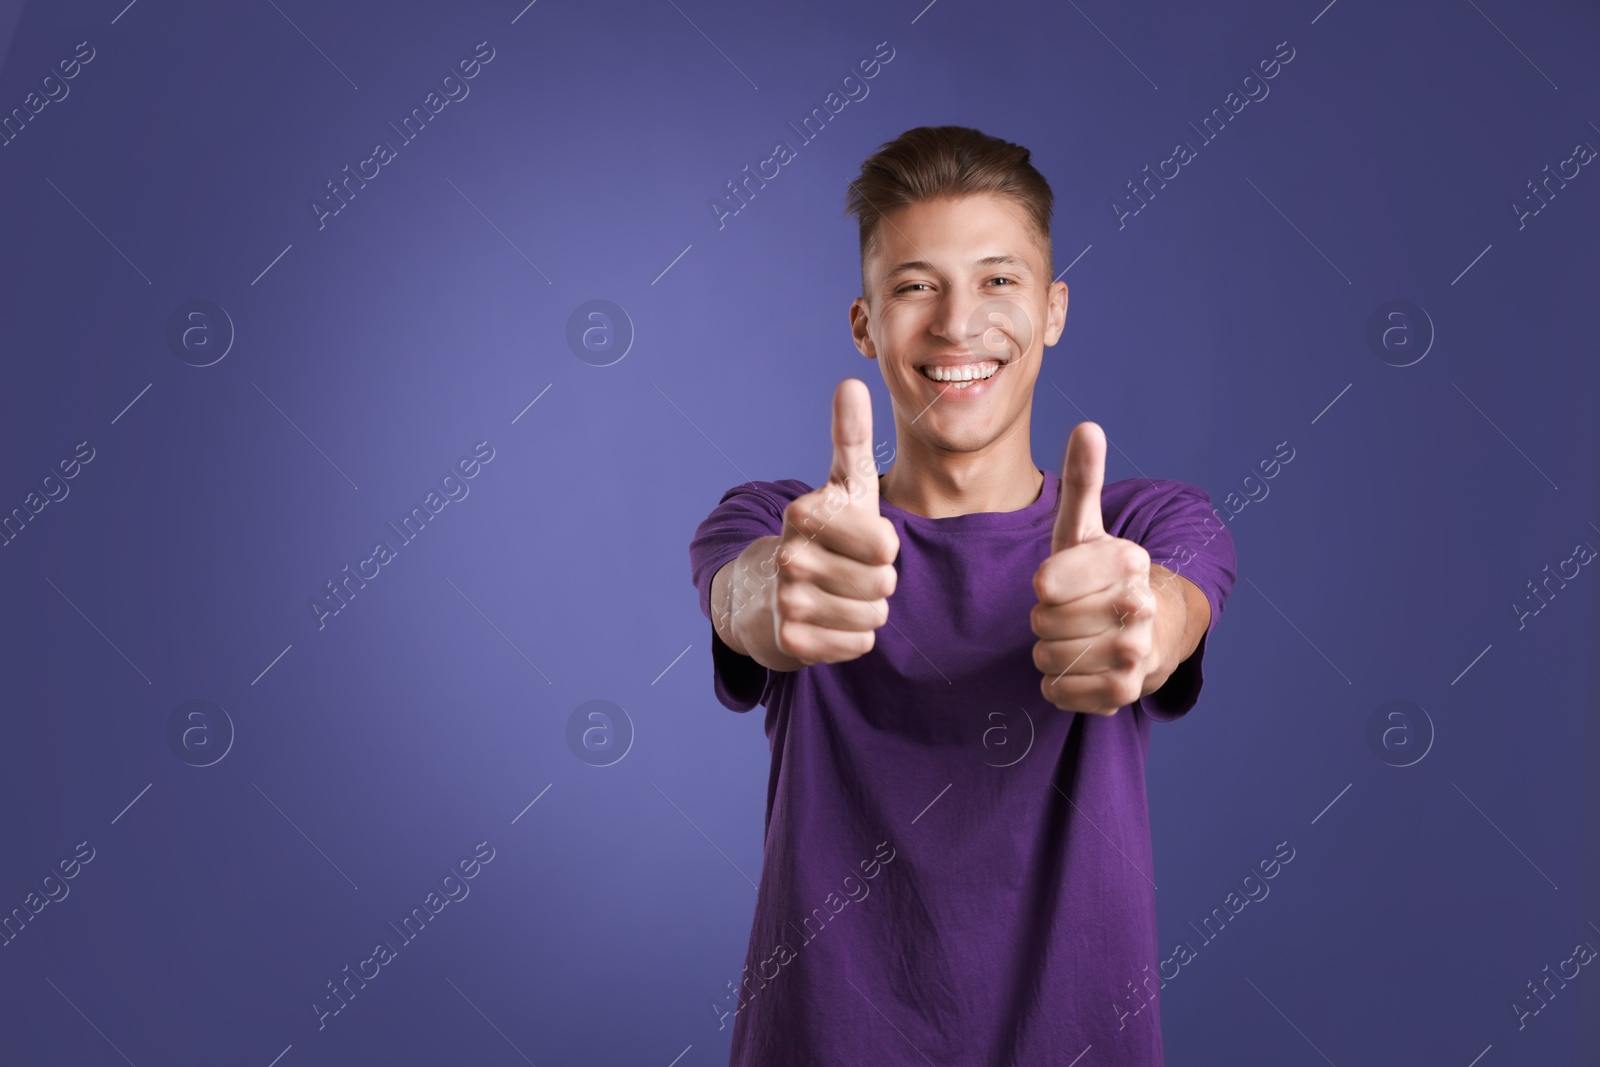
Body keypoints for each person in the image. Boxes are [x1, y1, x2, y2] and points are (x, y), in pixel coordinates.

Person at [688, 125, 1237, 1067]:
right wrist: (768, 599)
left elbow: (1173, 609)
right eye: (914, 286)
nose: (955, 324)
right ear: (864, 323)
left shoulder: (1143, 530)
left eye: (998, 280)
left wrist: (1143, 630)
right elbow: (745, 591)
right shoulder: (785, 525)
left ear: (1053, 309)